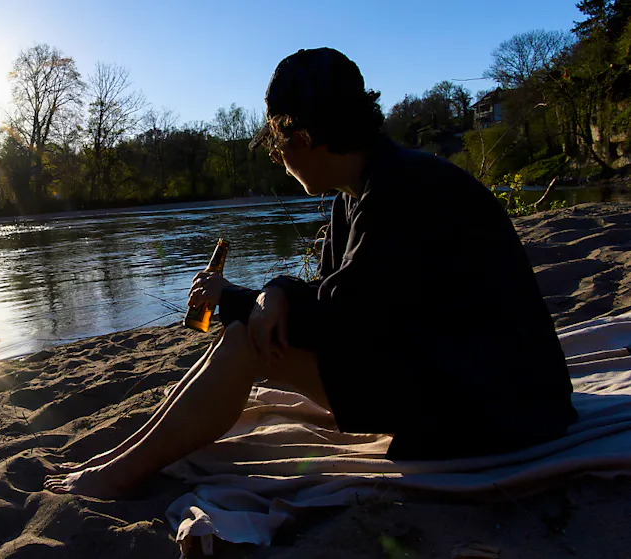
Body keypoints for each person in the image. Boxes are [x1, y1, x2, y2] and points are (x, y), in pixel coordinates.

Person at [44, 47, 577, 498]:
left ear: (300, 135)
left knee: (247, 341)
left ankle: (117, 473)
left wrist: (248, 298)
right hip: (456, 377)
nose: (277, 158)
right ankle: (120, 458)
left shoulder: (402, 191)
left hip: (499, 408)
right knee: (242, 333)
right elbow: (337, 303)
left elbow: (341, 323)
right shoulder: (362, 191)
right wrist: (261, 297)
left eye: (276, 144)